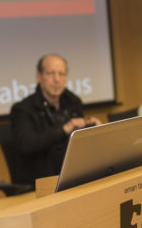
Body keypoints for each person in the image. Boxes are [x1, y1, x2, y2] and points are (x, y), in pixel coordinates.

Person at [10, 54, 101, 185]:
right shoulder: (23, 109)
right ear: (39, 76)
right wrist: (64, 129)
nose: (57, 79)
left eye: (61, 74)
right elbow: (26, 144)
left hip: (73, 175)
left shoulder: (73, 102)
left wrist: (93, 128)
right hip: (40, 180)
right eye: (51, 73)